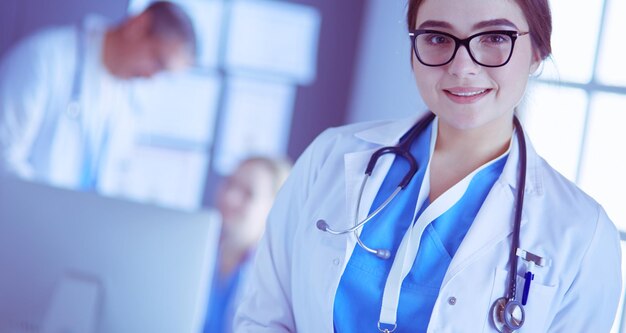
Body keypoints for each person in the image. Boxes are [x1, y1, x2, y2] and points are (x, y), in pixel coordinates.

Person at [234, 0, 622, 332]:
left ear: (537, 50)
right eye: (438, 38)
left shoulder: (582, 236)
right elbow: (263, 317)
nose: (462, 66)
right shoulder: (330, 157)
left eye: (493, 38)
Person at [0, 1, 196, 190]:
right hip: (22, 218)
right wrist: (45, 209)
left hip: (79, 220)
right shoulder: (46, 59)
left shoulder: (128, 100)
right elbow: (4, 154)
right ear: (138, 25)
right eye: (157, 61)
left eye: (163, 73)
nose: (151, 77)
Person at [203, 157, 292, 333]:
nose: (230, 198)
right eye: (229, 184)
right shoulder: (193, 252)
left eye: (248, 193)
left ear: (275, 207)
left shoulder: (279, 279)